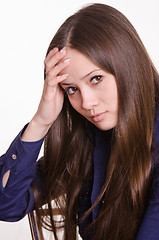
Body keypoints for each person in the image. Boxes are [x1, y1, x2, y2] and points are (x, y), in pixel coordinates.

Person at [0, 3, 159, 240]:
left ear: (127, 66)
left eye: (96, 79)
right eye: (72, 89)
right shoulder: (87, 141)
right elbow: (7, 205)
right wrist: (41, 122)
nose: (86, 102)